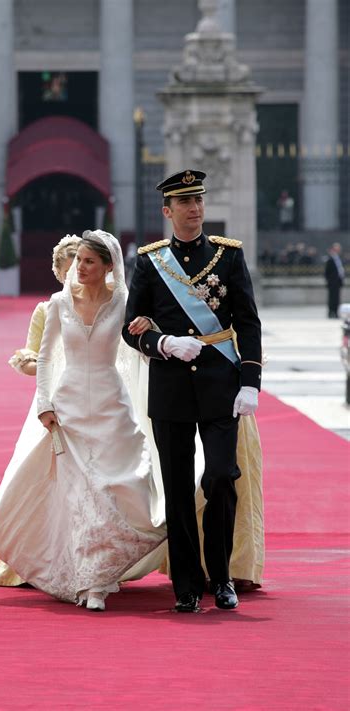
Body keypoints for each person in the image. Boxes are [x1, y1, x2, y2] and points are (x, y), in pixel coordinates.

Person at [0, 230, 167, 611]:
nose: (78, 268)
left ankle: (101, 570)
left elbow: (140, 349)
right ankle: (90, 583)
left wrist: (155, 332)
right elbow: (46, 357)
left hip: (111, 403)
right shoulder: (58, 302)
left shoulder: (124, 302)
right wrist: (44, 404)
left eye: (88, 262)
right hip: (68, 406)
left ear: (108, 267)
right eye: (77, 260)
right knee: (79, 494)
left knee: (119, 487)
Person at [123, 169, 262, 612]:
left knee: (221, 477)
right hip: (171, 388)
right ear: (168, 211)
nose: (195, 209)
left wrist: (250, 382)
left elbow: (249, 322)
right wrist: (161, 343)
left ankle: (221, 577)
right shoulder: (149, 261)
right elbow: (132, 328)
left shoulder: (228, 257)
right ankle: (186, 584)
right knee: (178, 488)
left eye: (199, 200)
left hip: (221, 384)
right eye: (185, 202)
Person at [0, 234, 81, 586]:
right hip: (54, 403)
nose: (75, 277)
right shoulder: (46, 309)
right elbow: (29, 358)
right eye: (68, 270)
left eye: (82, 268)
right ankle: (33, 559)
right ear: (57, 272)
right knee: (41, 481)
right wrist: (47, 365)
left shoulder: (106, 306)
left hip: (92, 401)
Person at [325, 243, 345, 318]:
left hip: (338, 282)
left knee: (336, 299)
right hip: (332, 283)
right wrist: (329, 281)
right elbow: (327, 272)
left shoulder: (339, 259)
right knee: (331, 299)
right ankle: (331, 312)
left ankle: (336, 312)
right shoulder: (330, 259)